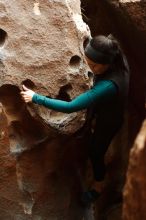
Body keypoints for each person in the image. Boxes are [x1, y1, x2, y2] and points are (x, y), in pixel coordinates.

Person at [21, 35, 129, 205]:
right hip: (104, 109)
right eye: (88, 62)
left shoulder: (109, 85)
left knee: (96, 152)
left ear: (107, 63)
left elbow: (70, 107)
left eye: (94, 65)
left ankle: (99, 185)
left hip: (109, 122)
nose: (90, 68)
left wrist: (36, 97)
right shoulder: (114, 52)